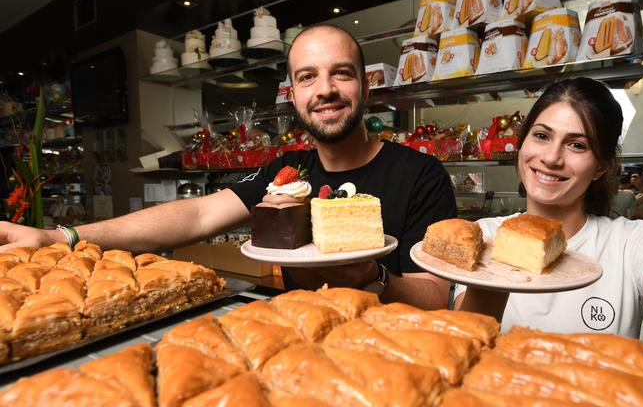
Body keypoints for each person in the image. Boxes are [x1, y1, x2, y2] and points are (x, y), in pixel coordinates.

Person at [0, 24, 456, 309]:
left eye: (342, 72)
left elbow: (436, 296)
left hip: (396, 349)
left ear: (365, 87)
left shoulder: (421, 174)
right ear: (293, 96)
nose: (325, 89)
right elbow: (196, 215)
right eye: (307, 76)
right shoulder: (288, 174)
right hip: (302, 335)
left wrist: (371, 277)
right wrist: (62, 236)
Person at [455, 77, 643, 338]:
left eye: (577, 145)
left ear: (601, 166)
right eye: (541, 136)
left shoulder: (632, 242)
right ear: (522, 144)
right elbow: (466, 344)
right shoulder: (484, 235)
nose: (551, 158)